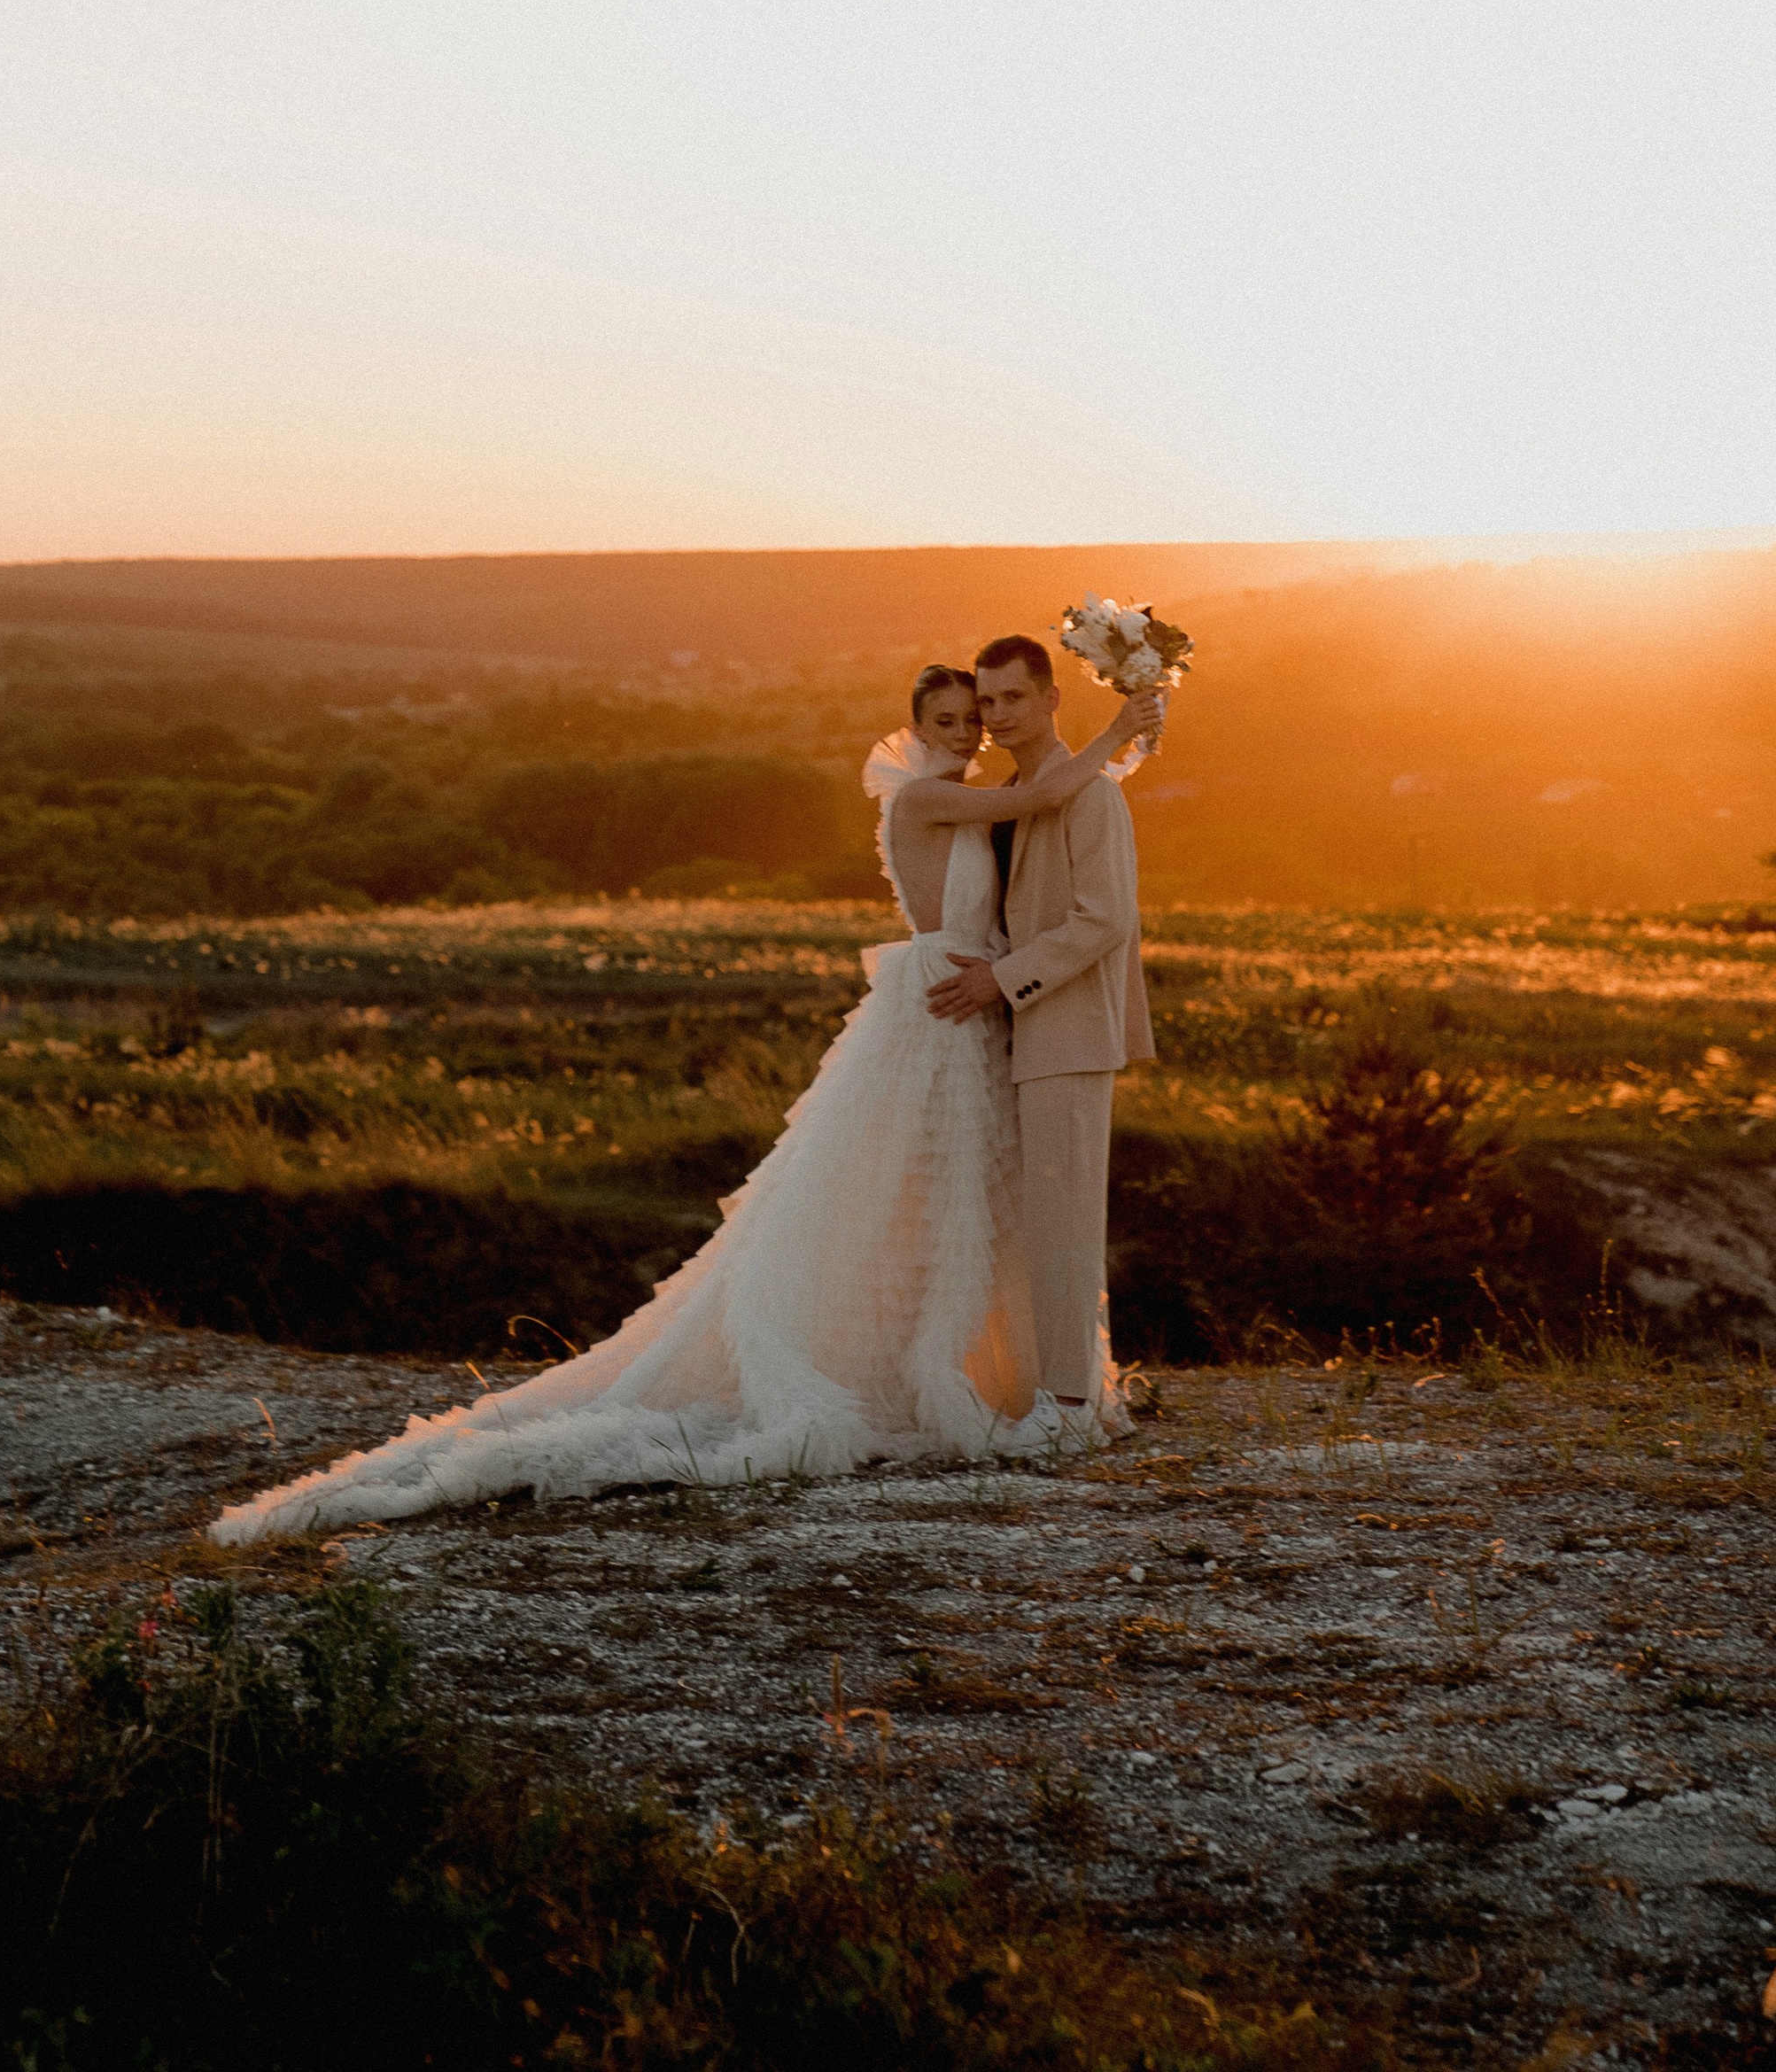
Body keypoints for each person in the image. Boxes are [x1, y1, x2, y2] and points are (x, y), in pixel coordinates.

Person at [207, 655, 1159, 1543]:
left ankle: (1016, 1375)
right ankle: (942, 1373)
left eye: (978, 715)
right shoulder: (928, 798)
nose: (968, 730)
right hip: (943, 1006)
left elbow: (1049, 843)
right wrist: (1125, 726)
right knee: (902, 1188)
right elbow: (1041, 797)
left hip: (980, 1014)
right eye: (950, 718)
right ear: (914, 729)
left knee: (973, 1200)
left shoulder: (985, 801)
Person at [926, 634, 1152, 1415]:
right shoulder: (1013, 795)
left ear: (1053, 698)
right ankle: (1036, 1389)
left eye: (1013, 697)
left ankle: (1070, 1406)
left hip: (1070, 1031)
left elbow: (1105, 919)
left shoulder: (1092, 796)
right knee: (1026, 1228)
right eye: (986, 700)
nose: (996, 715)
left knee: (1064, 1226)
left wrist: (1000, 979)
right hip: (1016, 1038)